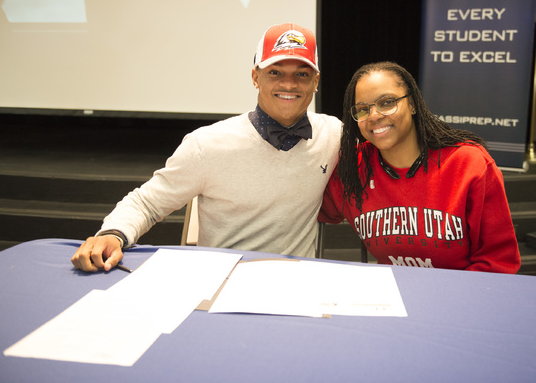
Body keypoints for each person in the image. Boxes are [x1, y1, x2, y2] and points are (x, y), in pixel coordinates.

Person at [72, 23, 341, 272]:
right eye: (275, 72)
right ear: (255, 77)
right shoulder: (208, 144)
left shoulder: (332, 134)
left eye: (302, 74)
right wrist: (113, 234)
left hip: (298, 283)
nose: (289, 83)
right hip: (220, 282)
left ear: (316, 82)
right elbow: (146, 203)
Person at [319, 61, 520, 273]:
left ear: (413, 103)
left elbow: (498, 262)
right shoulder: (354, 167)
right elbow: (308, 208)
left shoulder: (468, 163)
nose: (374, 116)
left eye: (387, 102)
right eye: (362, 109)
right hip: (392, 299)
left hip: (460, 299)